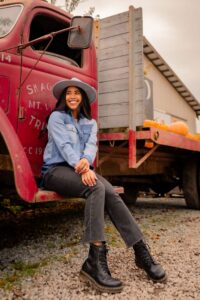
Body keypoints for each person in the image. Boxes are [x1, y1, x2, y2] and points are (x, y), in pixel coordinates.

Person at [41, 77, 167, 293]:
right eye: (69, 92)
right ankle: (95, 259)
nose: (72, 96)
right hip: (56, 170)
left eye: (77, 93)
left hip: (82, 169)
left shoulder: (90, 123)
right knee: (96, 187)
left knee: (111, 193)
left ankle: (140, 251)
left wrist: (86, 164)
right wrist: (82, 167)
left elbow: (91, 148)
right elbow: (63, 146)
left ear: (82, 99)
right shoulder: (56, 117)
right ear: (64, 97)